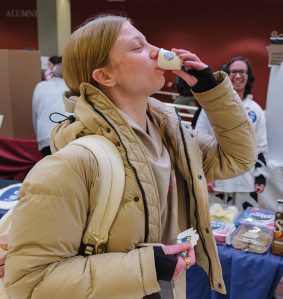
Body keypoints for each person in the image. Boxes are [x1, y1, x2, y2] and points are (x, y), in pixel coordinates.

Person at [5, 15, 256, 299]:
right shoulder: (72, 164)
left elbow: (237, 158)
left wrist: (211, 92)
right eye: (138, 47)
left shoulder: (173, 136)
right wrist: (147, 267)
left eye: (149, 42)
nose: (156, 51)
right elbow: (29, 282)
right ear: (105, 76)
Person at [195, 56, 268, 210]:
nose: (238, 76)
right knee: (214, 228)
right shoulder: (211, 106)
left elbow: (261, 146)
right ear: (227, 75)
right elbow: (197, 140)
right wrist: (204, 175)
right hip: (216, 182)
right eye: (233, 72)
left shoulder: (255, 110)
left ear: (248, 77)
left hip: (245, 183)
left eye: (242, 72)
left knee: (243, 229)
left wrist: (260, 176)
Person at [32, 63, 69, 156]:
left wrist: (39, 138)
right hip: (67, 137)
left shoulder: (40, 86)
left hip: (45, 138)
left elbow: (35, 116)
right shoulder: (71, 87)